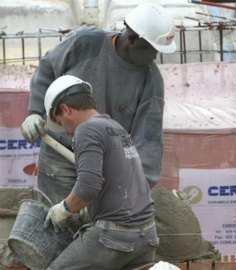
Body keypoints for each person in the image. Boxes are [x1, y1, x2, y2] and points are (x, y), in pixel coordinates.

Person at [21, 2, 177, 204]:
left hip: (104, 166)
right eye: (151, 49)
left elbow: (148, 141)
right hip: (60, 153)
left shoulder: (150, 81)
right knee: (56, 222)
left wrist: (137, 188)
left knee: (96, 230)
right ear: (131, 39)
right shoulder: (86, 42)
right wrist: (35, 111)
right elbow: (47, 69)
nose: (155, 56)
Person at [43, 75, 159, 270]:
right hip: (146, 236)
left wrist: (63, 209)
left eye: (60, 122)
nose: (65, 130)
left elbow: (88, 187)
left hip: (115, 238)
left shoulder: (86, 130)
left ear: (65, 109)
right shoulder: (114, 127)